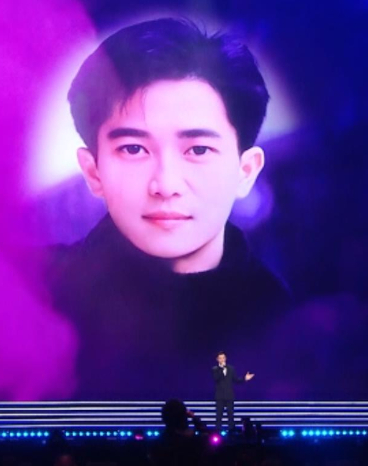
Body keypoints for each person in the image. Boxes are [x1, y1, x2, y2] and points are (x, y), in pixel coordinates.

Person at [46, 17, 291, 399]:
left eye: (198, 150)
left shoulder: (284, 321)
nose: (166, 185)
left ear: (246, 171)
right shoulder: (40, 300)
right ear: (93, 171)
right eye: (133, 149)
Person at [212, 352, 254, 431]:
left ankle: (231, 431)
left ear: (225, 358)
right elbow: (216, 378)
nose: (222, 359)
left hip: (229, 395)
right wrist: (222, 368)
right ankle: (217, 432)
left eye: (223, 358)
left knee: (230, 415)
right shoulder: (215, 369)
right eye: (220, 358)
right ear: (217, 359)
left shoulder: (231, 368)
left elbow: (236, 380)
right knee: (219, 416)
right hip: (219, 396)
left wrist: (244, 379)